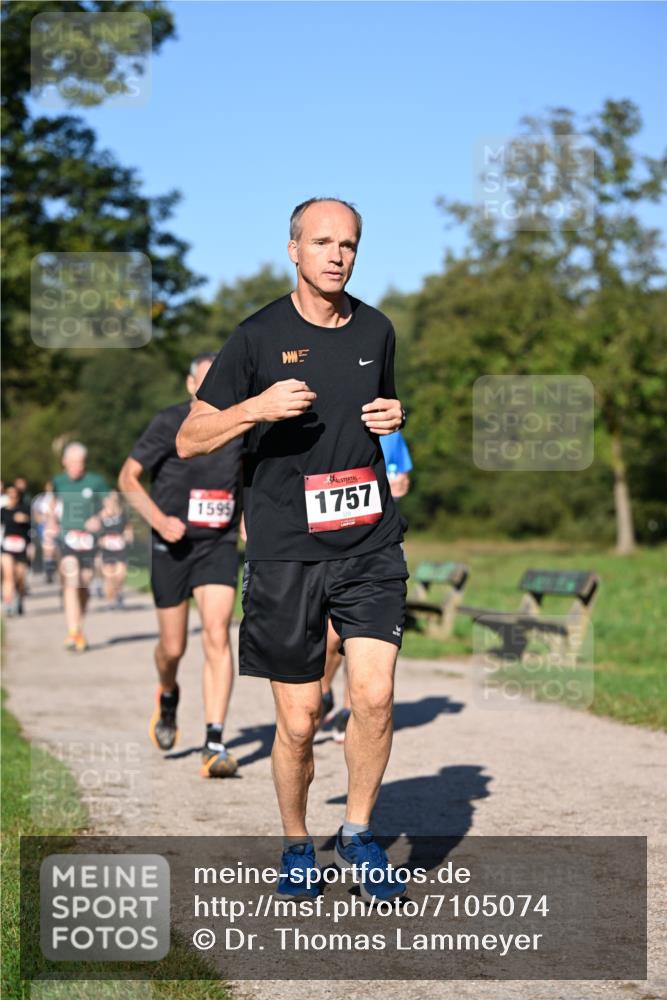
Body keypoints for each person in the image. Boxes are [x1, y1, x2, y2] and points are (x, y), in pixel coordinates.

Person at [176, 198, 408, 901]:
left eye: (349, 244)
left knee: (372, 695)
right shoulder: (255, 338)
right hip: (285, 550)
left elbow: (383, 418)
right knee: (300, 721)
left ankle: (359, 832)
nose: (337, 255)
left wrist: (394, 420)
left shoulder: (376, 329)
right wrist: (255, 408)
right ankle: (296, 841)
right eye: (322, 242)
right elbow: (191, 439)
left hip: (368, 538)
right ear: (293, 251)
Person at [118, 354, 243, 779]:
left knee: (217, 632)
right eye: (204, 382)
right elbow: (128, 478)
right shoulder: (168, 422)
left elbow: (252, 478)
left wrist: (245, 518)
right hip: (171, 546)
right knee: (173, 648)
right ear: (191, 384)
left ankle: (214, 741)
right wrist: (157, 520)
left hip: (218, 543)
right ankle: (168, 694)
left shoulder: (241, 423)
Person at [322, 429, 414, 741]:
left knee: (361, 635)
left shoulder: (390, 433)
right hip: (334, 545)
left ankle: (350, 708)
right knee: (332, 635)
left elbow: (401, 478)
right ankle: (323, 690)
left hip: (377, 545)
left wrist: (398, 486)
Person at [53, 443, 109, 652]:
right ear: (64, 462)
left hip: (89, 540)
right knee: (71, 580)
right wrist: (51, 522)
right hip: (67, 538)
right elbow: (51, 505)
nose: (77, 467)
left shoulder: (96, 481)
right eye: (73, 462)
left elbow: (112, 505)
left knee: (83, 585)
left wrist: (98, 517)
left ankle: (77, 628)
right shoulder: (58, 482)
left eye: (81, 463)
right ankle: (72, 631)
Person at [93, 490, 134, 608]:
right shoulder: (100, 516)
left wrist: (128, 537)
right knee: (109, 576)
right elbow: (95, 533)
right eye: (109, 499)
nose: (111, 501)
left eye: (113, 499)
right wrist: (101, 540)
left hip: (120, 548)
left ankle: (119, 593)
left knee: (120, 574)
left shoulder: (123, 515)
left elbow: (128, 528)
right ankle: (111, 600)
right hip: (106, 549)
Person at [1, 484, 32, 615]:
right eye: (10, 495)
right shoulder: (3, 511)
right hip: (7, 547)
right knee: (8, 575)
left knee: (19, 577)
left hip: (22, 547)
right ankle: (8, 603)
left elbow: (34, 525)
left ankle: (20, 597)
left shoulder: (25, 509)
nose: (12, 497)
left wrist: (26, 519)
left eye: (15, 495)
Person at [32, 480, 59, 582]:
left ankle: (52, 568)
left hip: (57, 526)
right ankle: (49, 571)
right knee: (47, 550)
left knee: (55, 550)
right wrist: (43, 520)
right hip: (44, 526)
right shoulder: (40, 499)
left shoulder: (59, 499)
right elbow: (36, 513)